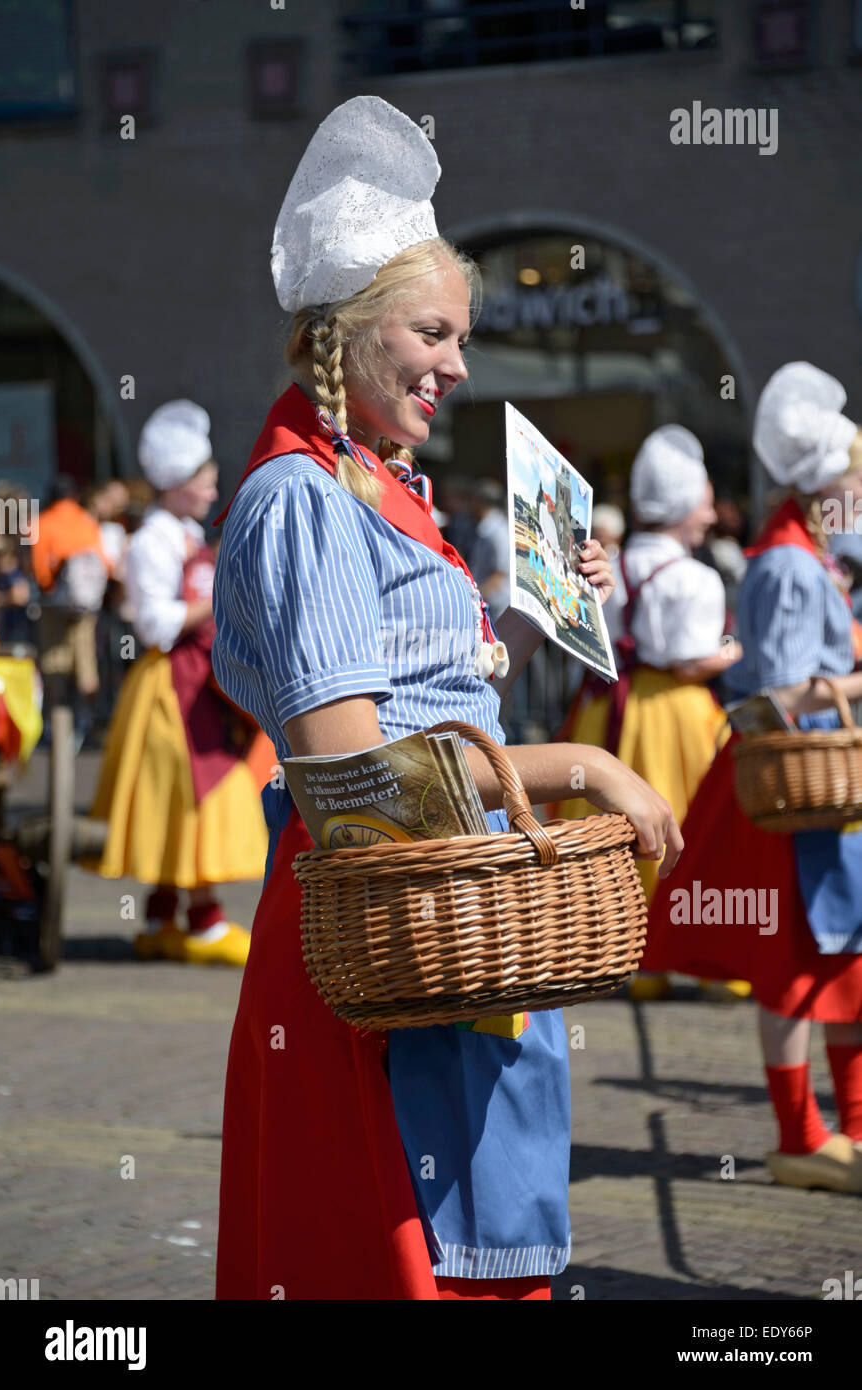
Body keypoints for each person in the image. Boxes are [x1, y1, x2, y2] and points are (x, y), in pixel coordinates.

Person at [211, 96, 682, 1301]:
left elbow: (436, 697)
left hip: (449, 933)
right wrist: (579, 769)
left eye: (458, 336)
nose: (459, 365)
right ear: (346, 332)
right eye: (432, 332)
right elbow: (358, 769)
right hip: (379, 945)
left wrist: (534, 612)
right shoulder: (306, 497)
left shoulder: (376, 480)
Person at [643, 362, 862, 1193]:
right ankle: (800, 1138)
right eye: (849, 478)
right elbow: (776, 690)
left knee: (839, 962)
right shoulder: (786, 565)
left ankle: (837, 1130)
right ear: (818, 488)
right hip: (798, 796)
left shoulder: (805, 555)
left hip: (822, 796)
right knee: (795, 966)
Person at [549, 426, 748, 1002]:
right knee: (696, 827)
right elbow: (688, 664)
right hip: (676, 713)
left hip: (609, 710)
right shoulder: (696, 578)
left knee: (613, 832)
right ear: (686, 506)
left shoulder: (609, 561)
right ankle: (711, 959)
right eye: (705, 503)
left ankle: (629, 958)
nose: (710, 516)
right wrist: (734, 651)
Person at [81, 401, 274, 966]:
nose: (213, 493)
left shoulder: (185, 534)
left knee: (182, 798)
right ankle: (203, 920)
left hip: (196, 680)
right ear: (180, 483)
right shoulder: (151, 542)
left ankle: (162, 917)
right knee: (194, 795)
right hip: (173, 685)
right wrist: (212, 603)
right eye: (206, 482)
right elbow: (153, 623)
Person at [31, 475, 111, 747]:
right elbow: (104, 563)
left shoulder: (42, 522)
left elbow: (40, 572)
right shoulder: (86, 521)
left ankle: (58, 724)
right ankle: (86, 721)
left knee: (55, 664)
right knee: (86, 664)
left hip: (54, 606)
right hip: (85, 606)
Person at [468, 477, 510, 621]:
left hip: (496, 609)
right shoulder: (487, 527)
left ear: (480, 502)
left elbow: (500, 574)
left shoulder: (498, 531)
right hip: (487, 605)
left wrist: (472, 598)